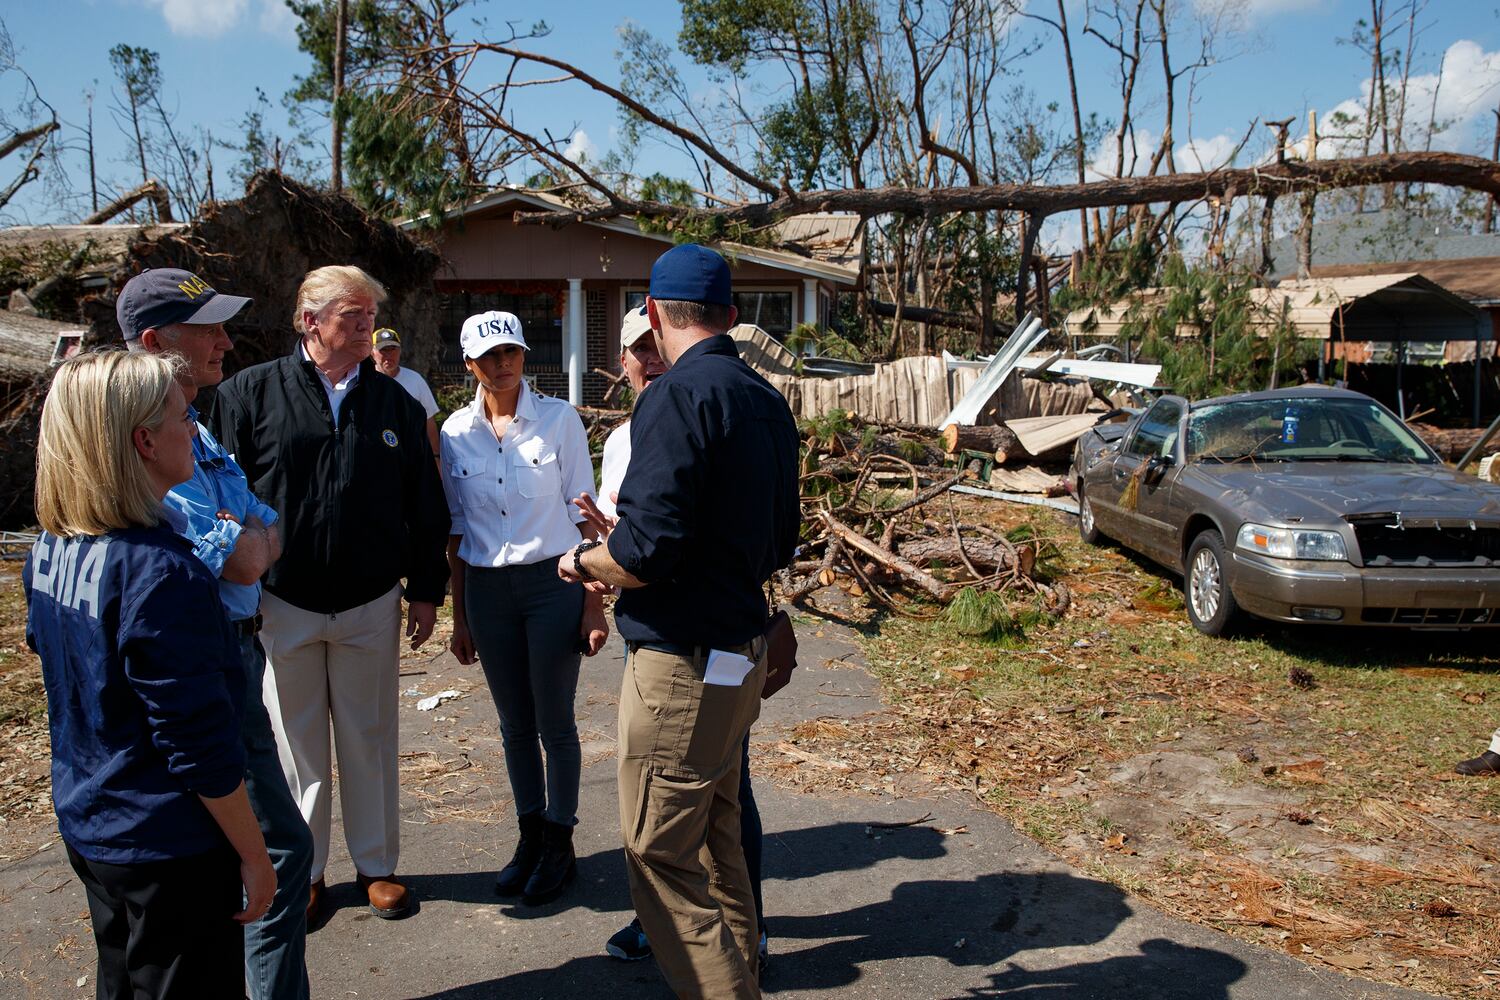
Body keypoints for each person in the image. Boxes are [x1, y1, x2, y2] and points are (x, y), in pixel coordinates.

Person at [560, 244, 801, 999]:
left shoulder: (672, 397)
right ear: (730, 316)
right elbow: (779, 536)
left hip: (683, 665)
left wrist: (582, 562)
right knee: (721, 834)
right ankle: (746, 975)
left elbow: (649, 549)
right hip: (739, 653)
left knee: (660, 857)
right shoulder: (765, 400)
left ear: (657, 315)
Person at [25, 350, 276, 1000]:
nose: (193, 429)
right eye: (180, 416)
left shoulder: (54, 546)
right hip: (170, 847)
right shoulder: (163, 574)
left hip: (94, 821)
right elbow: (197, 745)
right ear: (143, 439)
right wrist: (253, 852)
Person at [214, 265, 450, 923]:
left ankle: (377, 867)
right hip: (280, 601)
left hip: (370, 600)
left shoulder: (395, 403)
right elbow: (221, 502)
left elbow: (425, 506)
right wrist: (236, 586)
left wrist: (427, 589)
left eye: (370, 314)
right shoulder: (248, 395)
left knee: (369, 737)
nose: (367, 325)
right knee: (295, 746)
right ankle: (306, 871)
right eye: (354, 315)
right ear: (310, 321)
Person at [119, 268, 314, 999]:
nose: (226, 342)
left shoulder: (191, 425)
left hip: (238, 649)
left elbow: (264, 525)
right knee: (275, 847)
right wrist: (252, 536)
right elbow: (242, 554)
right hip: (203, 658)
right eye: (206, 329)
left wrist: (252, 536)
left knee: (268, 847)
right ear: (153, 342)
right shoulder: (144, 442)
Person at [598, 304, 769, 969]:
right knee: (709, 814)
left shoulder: (697, 405)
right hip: (701, 639)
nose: (651, 355)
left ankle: (725, 954)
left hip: (693, 646)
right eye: (637, 348)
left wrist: (592, 560)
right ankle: (702, 940)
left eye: (655, 340)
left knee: (680, 830)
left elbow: (646, 549)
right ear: (623, 359)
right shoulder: (627, 435)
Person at [441, 310, 608, 904]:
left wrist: (593, 607)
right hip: (488, 591)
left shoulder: (560, 421)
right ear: (470, 365)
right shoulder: (455, 432)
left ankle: (560, 843)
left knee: (554, 722)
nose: (504, 364)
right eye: (490, 357)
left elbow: (584, 517)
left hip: (552, 583)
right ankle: (529, 835)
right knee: (515, 726)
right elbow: (457, 530)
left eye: (511, 352)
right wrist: (460, 616)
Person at [371, 326, 441, 456]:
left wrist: (436, 456)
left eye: (393, 349)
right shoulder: (364, 382)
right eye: (383, 350)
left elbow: (429, 421)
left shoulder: (415, 380)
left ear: (400, 351)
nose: (388, 355)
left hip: (410, 455)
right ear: (372, 352)